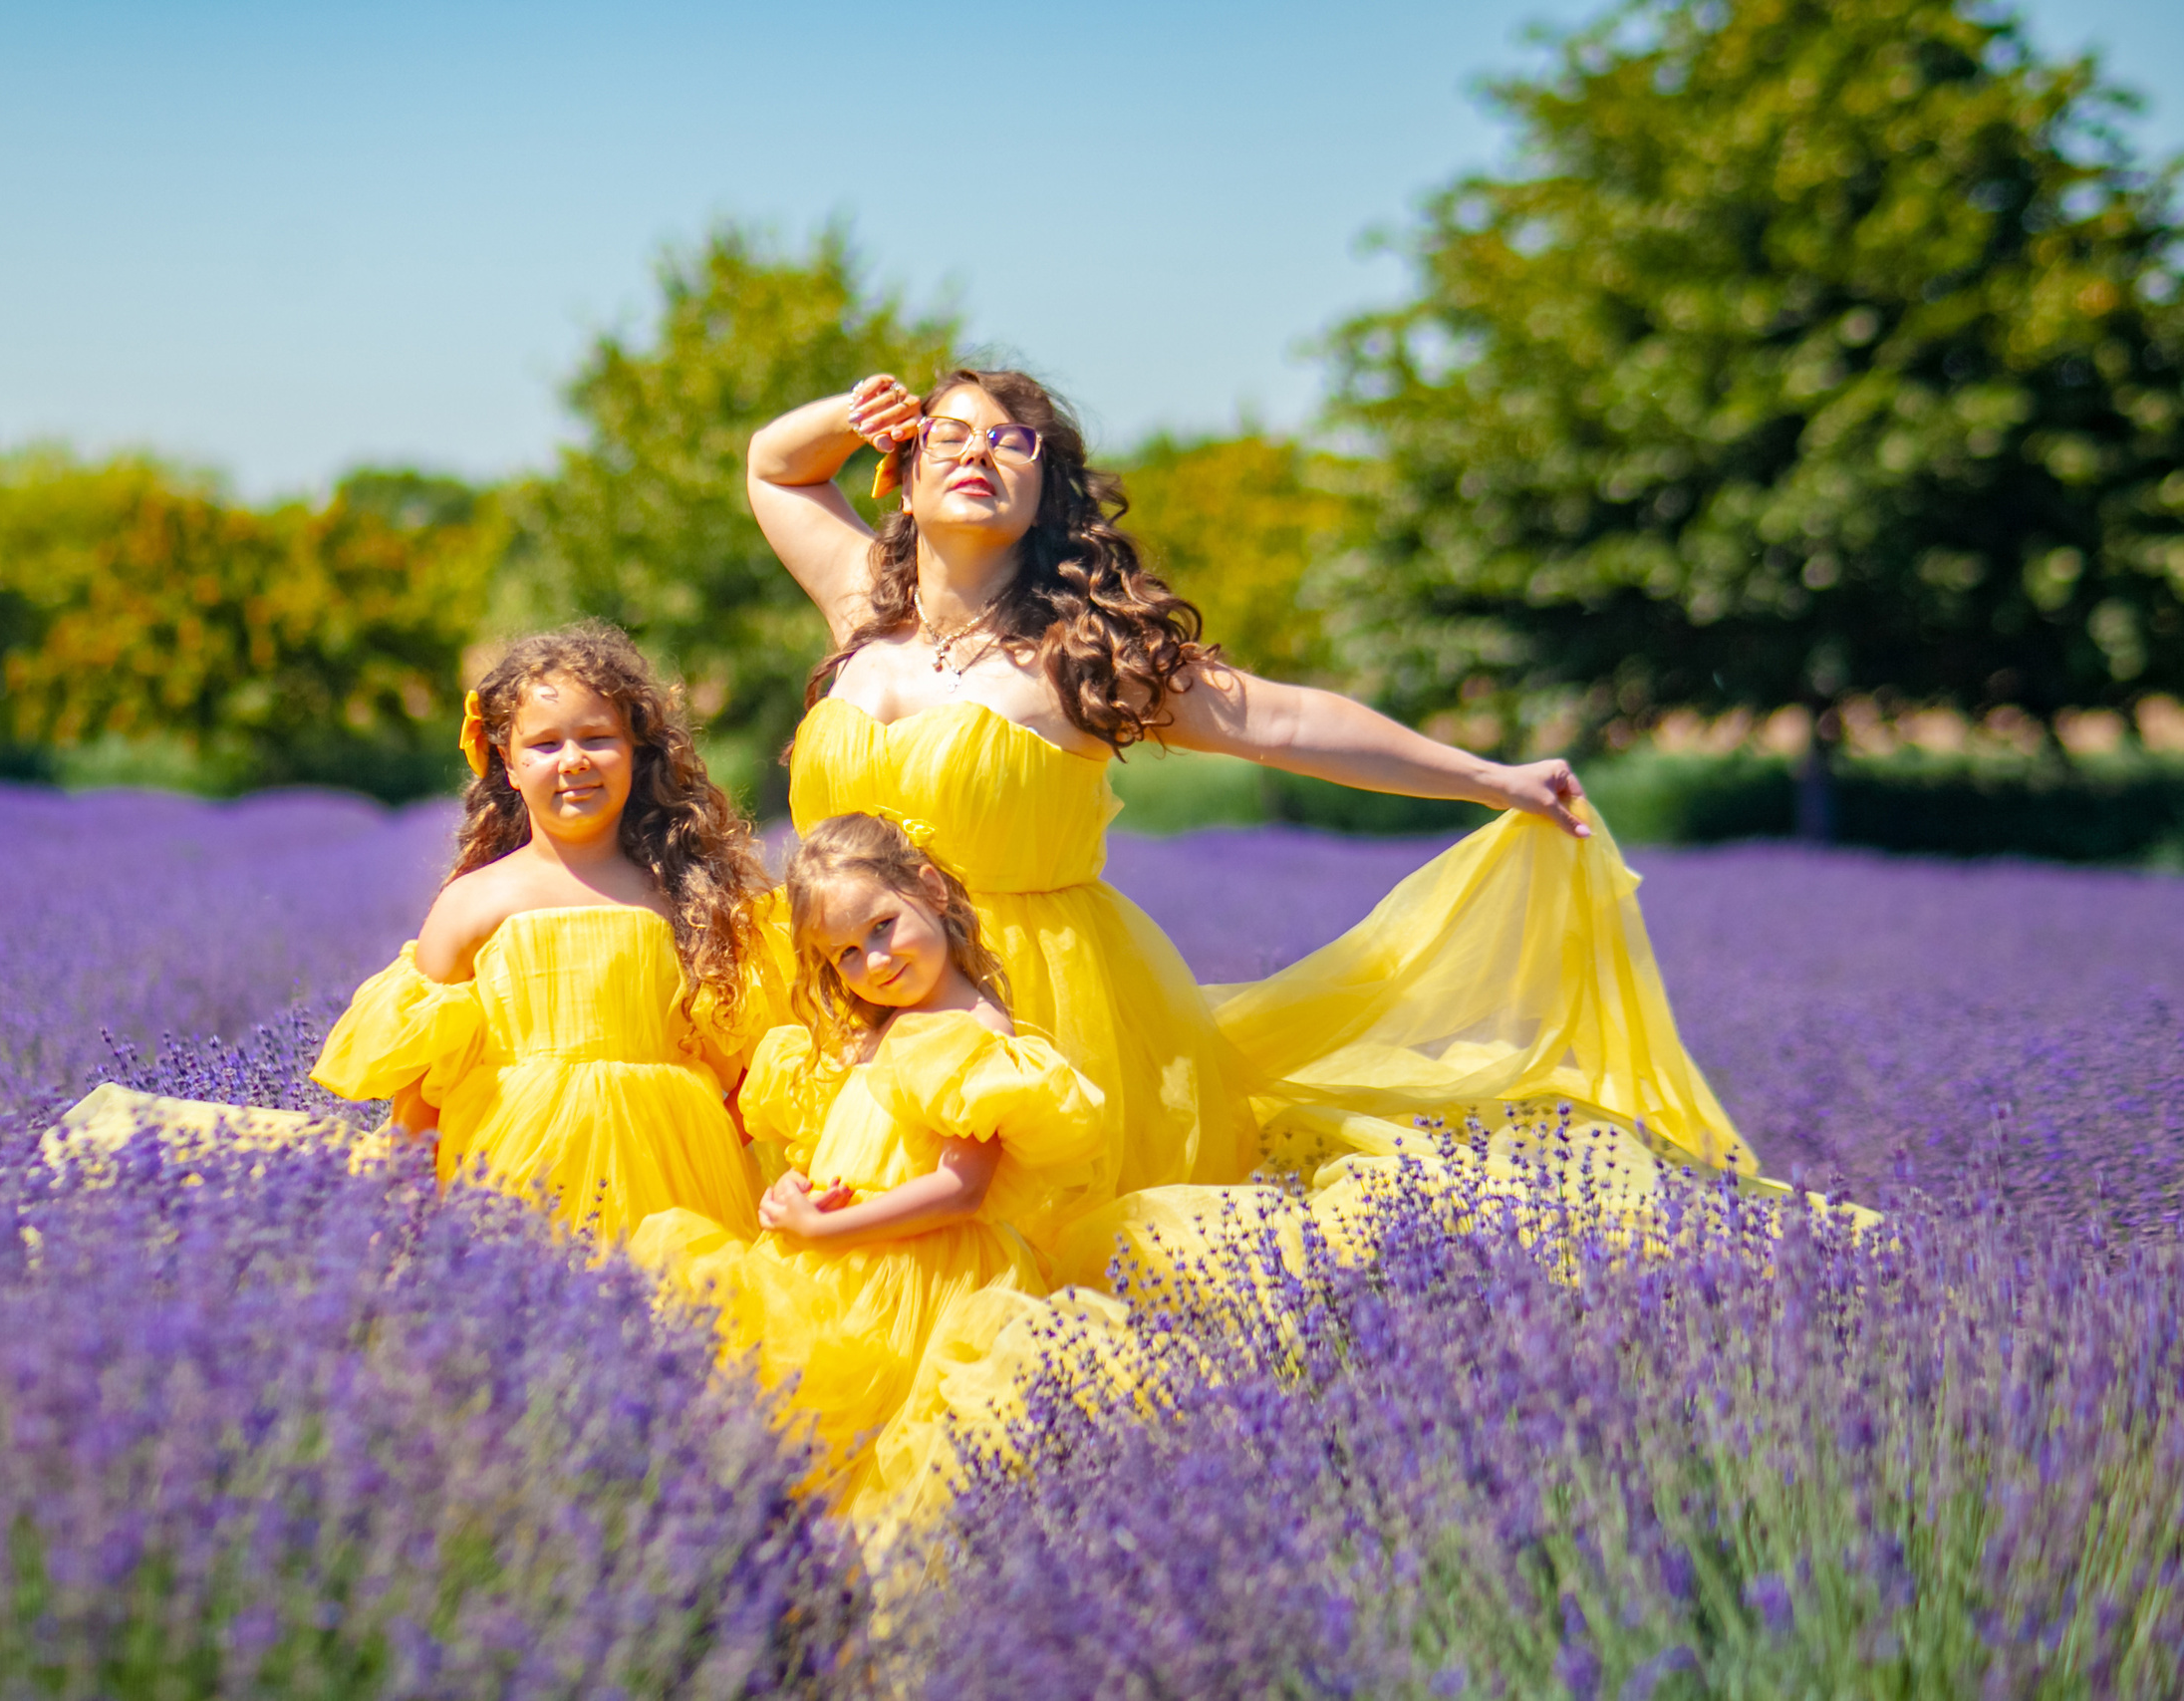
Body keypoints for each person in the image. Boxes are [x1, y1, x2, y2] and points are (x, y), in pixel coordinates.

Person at [742, 367, 1763, 1278]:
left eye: (1013, 443)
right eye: (951, 434)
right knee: (835, 1258)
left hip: (1029, 1007)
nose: (980, 452)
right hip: (845, 988)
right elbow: (775, 468)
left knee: (1012, 1276)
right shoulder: (859, 609)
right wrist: (850, 414)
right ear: (904, 474)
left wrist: (1489, 778)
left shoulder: (1082, 655)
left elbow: (1286, 722)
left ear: (1045, 493)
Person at [630, 812, 1106, 1521]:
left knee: (887, 1472)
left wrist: (826, 1229)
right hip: (831, 1267)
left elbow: (961, 1189)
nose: (875, 962)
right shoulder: (870, 1034)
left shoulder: (972, 1032)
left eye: (883, 927)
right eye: (847, 953)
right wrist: (796, 1191)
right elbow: (840, 1151)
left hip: (920, 1280)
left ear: (931, 889)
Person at [308, 623, 776, 1245]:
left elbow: (743, 1074)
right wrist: (407, 1209)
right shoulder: (473, 903)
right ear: (508, 763)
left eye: (597, 738)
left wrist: (695, 1139)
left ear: (636, 751)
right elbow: (422, 1089)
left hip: (673, 1178)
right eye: (545, 744)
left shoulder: (685, 896)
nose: (573, 760)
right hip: (515, 1169)